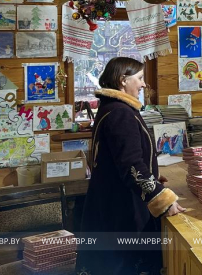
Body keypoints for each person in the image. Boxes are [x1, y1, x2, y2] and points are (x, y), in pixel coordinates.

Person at [78, 57, 184, 275]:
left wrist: (152, 176)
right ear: (122, 80)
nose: (144, 84)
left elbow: (120, 159)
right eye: (140, 78)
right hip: (122, 208)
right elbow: (130, 165)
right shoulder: (120, 112)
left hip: (111, 200)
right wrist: (160, 197)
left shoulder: (111, 108)